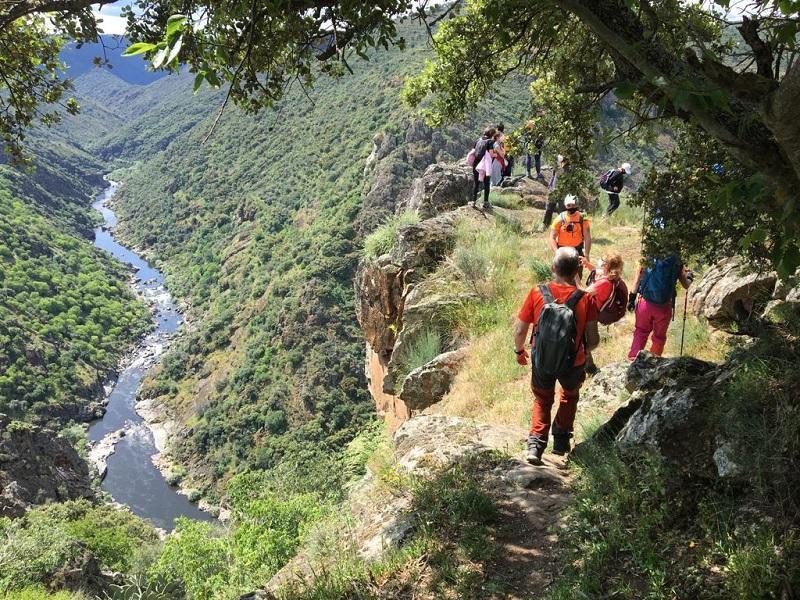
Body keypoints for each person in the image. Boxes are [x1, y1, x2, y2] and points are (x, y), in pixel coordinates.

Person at [513, 247, 600, 464]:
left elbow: (520, 330)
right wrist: (584, 351)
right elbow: (594, 338)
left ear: (553, 268)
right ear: (577, 270)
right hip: (574, 362)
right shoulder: (586, 299)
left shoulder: (537, 293)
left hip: (542, 359)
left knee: (542, 400)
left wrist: (519, 350)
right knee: (569, 396)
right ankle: (561, 441)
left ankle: (535, 445)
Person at [627, 254, 694, 360]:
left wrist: (631, 299)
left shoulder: (647, 256)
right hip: (664, 307)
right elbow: (686, 285)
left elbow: (636, 280)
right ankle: (653, 363)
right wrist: (689, 277)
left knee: (641, 331)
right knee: (659, 338)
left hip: (645, 304)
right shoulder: (676, 261)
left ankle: (633, 359)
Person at [580, 252, 625, 375]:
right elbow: (596, 271)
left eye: (602, 261)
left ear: (606, 266)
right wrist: (587, 264)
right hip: (593, 311)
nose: (599, 262)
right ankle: (589, 366)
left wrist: (574, 277)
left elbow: (583, 294)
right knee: (583, 339)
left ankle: (587, 366)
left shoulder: (604, 283)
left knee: (584, 340)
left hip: (592, 314)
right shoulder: (611, 277)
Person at [550, 194, 592, 263]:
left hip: (577, 249)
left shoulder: (582, 217)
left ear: (577, 205)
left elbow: (587, 237)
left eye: (573, 205)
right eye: (569, 205)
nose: (571, 207)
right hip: (562, 250)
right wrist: (556, 252)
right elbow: (552, 237)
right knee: (563, 272)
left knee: (577, 272)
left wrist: (586, 254)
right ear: (565, 206)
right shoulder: (560, 218)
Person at [471, 127, 496, 210]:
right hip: (484, 165)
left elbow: (473, 151)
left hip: (476, 164)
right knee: (486, 183)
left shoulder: (478, 140)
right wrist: (496, 155)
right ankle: (485, 202)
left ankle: (473, 202)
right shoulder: (490, 142)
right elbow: (491, 154)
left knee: (476, 183)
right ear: (492, 135)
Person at [542, 154, 567, 228]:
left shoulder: (568, 168)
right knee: (549, 208)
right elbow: (553, 176)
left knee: (562, 209)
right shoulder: (557, 165)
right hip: (554, 189)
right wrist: (550, 186)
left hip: (562, 190)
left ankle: (563, 226)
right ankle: (545, 224)